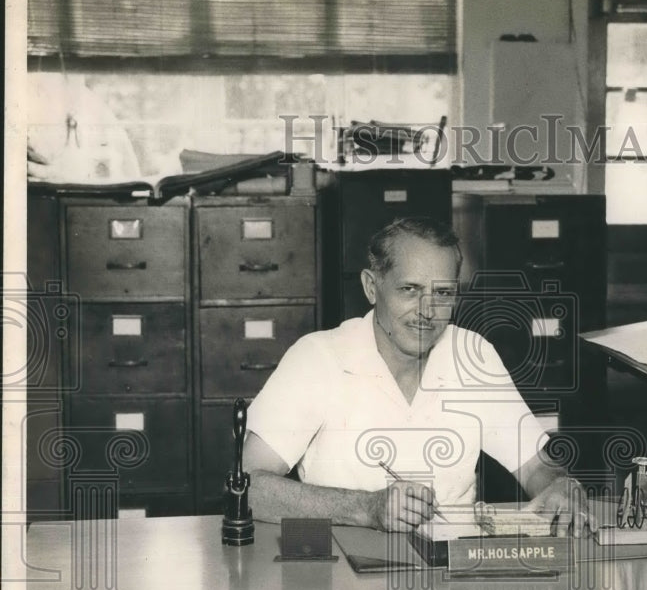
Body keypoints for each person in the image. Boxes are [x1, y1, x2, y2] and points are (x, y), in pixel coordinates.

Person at [243, 215, 590, 534]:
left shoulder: (473, 355)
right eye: (409, 290)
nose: (427, 311)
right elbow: (248, 486)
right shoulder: (317, 358)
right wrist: (367, 508)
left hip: (451, 573)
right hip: (343, 577)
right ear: (371, 287)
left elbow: (536, 467)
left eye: (442, 293)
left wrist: (559, 486)